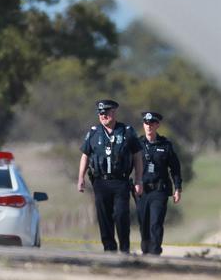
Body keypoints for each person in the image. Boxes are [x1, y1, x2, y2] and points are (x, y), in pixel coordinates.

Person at [77, 99, 144, 253]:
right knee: (104, 217)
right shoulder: (94, 133)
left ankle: (124, 248)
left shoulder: (127, 131)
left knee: (121, 215)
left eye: (106, 113)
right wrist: (81, 177)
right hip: (100, 182)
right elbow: (85, 155)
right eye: (101, 113)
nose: (103, 116)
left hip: (121, 182)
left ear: (114, 112)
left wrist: (139, 179)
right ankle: (109, 250)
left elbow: (137, 156)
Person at [136, 111, 182, 256]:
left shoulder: (166, 145)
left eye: (151, 124)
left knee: (155, 223)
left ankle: (155, 253)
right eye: (146, 124)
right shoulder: (137, 144)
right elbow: (127, 165)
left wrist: (177, 188)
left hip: (159, 191)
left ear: (157, 125)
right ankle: (145, 252)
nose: (148, 127)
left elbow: (175, 168)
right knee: (144, 225)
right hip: (142, 191)